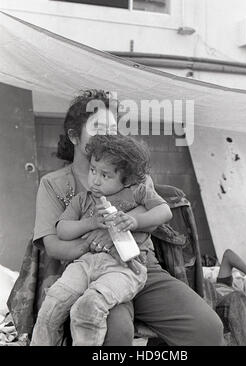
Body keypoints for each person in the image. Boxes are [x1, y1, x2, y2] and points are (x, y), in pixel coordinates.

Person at [12, 89, 224, 346]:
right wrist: (93, 242)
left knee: (207, 328)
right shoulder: (54, 184)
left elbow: (156, 214)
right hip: (89, 274)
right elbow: (52, 245)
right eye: (99, 127)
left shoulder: (133, 174)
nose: (107, 134)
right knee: (114, 332)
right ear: (74, 136)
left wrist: (116, 229)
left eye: (113, 128)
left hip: (141, 266)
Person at [31, 134, 172, 345]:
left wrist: (135, 221)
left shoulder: (138, 192)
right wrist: (90, 223)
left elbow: (164, 211)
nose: (95, 180)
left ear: (127, 178)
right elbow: (62, 230)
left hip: (123, 267)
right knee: (51, 306)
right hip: (85, 264)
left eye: (105, 175)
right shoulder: (83, 199)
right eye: (93, 171)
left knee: (87, 308)